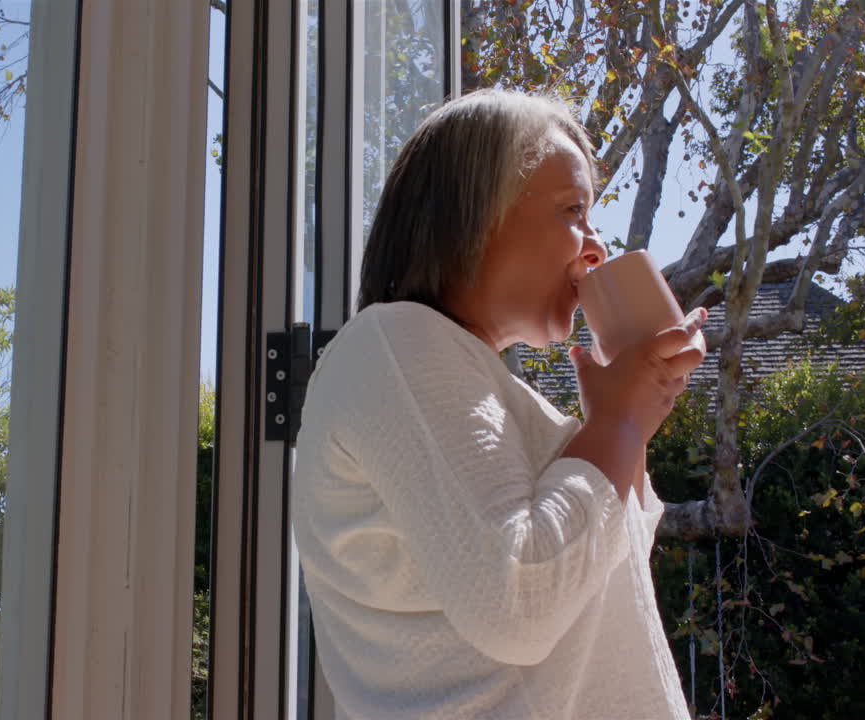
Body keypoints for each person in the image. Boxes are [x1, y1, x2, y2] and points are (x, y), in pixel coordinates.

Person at [291, 89, 707, 719]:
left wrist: (626, 420)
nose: (594, 248)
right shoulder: (394, 342)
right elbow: (521, 599)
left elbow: (589, 597)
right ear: (473, 213)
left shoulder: (479, 385)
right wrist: (618, 422)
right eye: (574, 210)